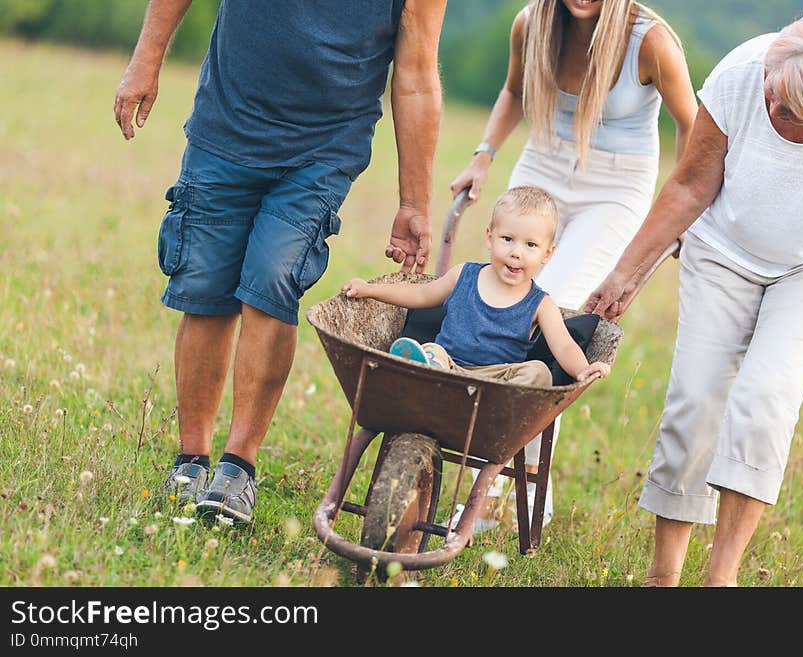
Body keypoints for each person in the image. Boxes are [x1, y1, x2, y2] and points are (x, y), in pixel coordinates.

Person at [113, 0, 447, 524]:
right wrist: (145, 60)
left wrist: (413, 202)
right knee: (205, 287)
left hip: (323, 148)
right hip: (227, 123)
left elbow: (417, 75)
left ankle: (237, 468)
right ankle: (190, 460)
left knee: (273, 277)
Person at [586, 11, 803, 586]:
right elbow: (693, 183)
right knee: (694, 399)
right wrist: (627, 271)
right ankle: (663, 576)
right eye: (772, 97)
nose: (771, 114)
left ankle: (721, 580)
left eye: (789, 113)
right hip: (724, 248)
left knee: (764, 399)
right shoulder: (744, 71)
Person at [448, 0, 697, 528]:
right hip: (544, 163)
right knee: (501, 302)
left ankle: (497, 492)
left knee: (547, 312)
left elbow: (692, 127)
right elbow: (515, 91)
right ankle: (517, 483)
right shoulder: (530, 23)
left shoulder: (650, 41)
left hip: (616, 184)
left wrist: (685, 212)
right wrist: (484, 152)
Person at [344, 186, 610, 531]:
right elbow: (422, 294)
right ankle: (420, 367)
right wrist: (369, 289)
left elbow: (563, 347)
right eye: (508, 239)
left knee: (539, 371)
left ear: (548, 254)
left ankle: (483, 404)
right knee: (433, 351)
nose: (516, 253)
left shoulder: (541, 303)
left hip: (497, 384)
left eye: (530, 245)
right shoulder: (464, 275)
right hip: (451, 370)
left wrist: (584, 369)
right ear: (489, 237)